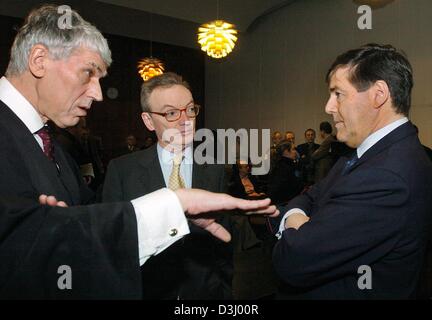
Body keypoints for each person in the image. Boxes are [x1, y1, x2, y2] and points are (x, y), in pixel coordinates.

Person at [0, 4, 278, 299]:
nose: (96, 93)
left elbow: (82, 233)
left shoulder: (54, 148)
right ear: (39, 60)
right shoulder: (112, 165)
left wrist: (63, 226)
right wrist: (171, 208)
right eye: (87, 74)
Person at [272, 44, 432, 299]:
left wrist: (292, 219)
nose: (328, 106)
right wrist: (301, 218)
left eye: (338, 94)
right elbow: (312, 195)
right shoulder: (369, 153)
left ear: (378, 94)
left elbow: (293, 260)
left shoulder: (387, 175)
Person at [103, 72, 234, 299]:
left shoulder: (215, 170)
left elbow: (223, 244)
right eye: (172, 113)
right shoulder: (122, 171)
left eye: (190, 109)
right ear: (148, 121)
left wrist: (223, 292)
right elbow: (112, 244)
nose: (186, 121)